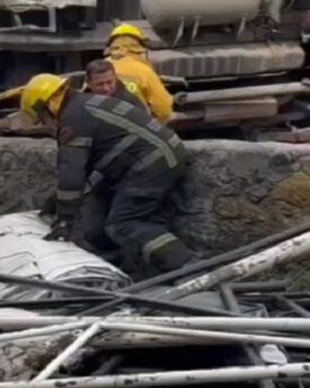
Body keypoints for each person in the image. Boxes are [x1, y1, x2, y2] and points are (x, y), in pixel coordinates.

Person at [21, 72, 195, 274]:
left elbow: (72, 173)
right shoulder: (83, 106)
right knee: (96, 225)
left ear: (48, 106)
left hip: (153, 161)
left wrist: (64, 220)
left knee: (125, 223)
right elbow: (81, 171)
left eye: (42, 119)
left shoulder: (72, 120)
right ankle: (117, 268)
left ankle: (188, 265)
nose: (45, 126)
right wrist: (52, 206)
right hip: (152, 158)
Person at [104, 24, 174, 123]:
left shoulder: (99, 69)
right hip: (134, 125)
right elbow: (163, 108)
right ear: (138, 46)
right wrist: (155, 125)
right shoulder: (144, 71)